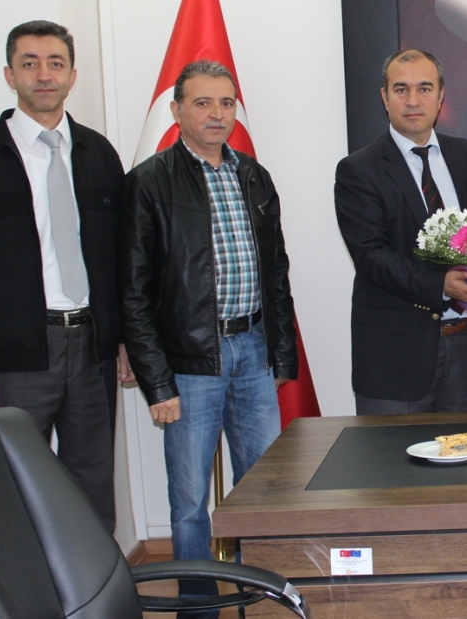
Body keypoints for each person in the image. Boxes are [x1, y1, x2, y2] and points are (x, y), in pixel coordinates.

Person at [119, 60, 297, 617]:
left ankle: (259, 600)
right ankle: (199, 608)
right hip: (190, 363)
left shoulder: (254, 176)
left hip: (254, 351)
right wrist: (157, 382)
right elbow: (133, 292)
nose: (217, 114)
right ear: (176, 112)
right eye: (202, 103)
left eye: (226, 103)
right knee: (191, 501)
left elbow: (277, 273)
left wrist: (282, 356)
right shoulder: (149, 182)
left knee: (263, 490)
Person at [0, 20, 129, 531]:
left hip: (93, 348)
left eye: (56, 64)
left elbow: (122, 258)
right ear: (9, 75)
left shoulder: (98, 154)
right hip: (15, 355)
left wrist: (124, 338)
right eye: (29, 63)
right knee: (14, 487)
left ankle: (97, 583)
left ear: (72, 76)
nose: (44, 75)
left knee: (92, 485)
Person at [335, 49, 467, 415]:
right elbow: (370, 256)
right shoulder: (358, 169)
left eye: (424, 88)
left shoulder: (465, 155)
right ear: (384, 96)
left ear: (440, 95)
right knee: (393, 454)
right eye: (401, 89)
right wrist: (441, 285)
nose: (413, 101)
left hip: (465, 348)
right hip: (395, 356)